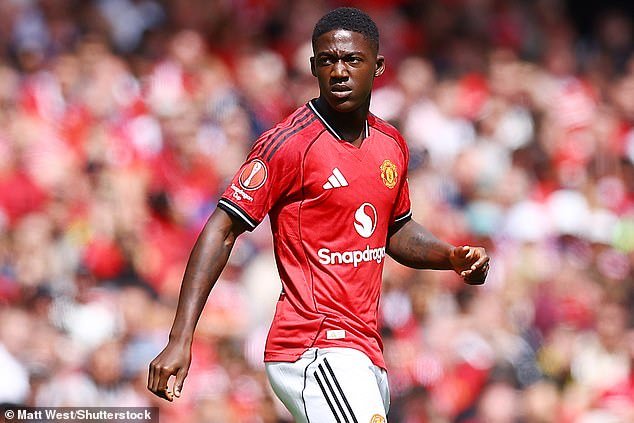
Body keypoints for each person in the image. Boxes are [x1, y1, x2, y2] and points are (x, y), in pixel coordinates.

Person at [148, 7, 489, 422]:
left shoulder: (391, 143)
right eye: (328, 60)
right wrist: (180, 338)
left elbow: (395, 231)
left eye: (352, 60)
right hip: (312, 344)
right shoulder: (289, 144)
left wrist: (449, 256)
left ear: (378, 66)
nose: (339, 71)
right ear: (313, 67)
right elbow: (221, 229)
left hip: (364, 348)